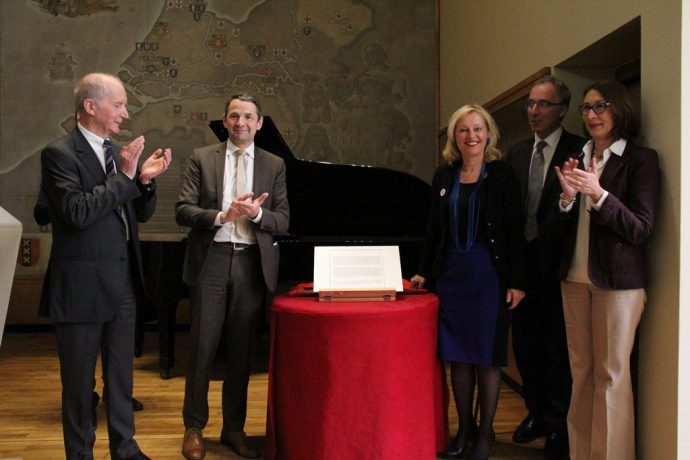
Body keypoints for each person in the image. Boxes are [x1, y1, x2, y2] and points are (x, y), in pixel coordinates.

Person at [38, 72, 172, 460]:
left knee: (120, 381)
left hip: (123, 285)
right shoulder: (59, 154)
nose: (125, 114)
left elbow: (138, 215)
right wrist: (127, 176)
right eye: (119, 105)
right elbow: (78, 212)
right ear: (90, 106)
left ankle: (125, 451)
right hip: (80, 288)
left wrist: (144, 182)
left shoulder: (117, 153)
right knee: (79, 388)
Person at [176, 93, 290, 460]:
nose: (241, 122)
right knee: (202, 349)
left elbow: (283, 220)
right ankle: (194, 428)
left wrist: (256, 216)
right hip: (211, 258)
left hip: (250, 265)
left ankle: (234, 429)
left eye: (248, 117)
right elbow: (183, 209)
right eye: (234, 116)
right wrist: (222, 217)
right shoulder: (202, 157)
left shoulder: (274, 165)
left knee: (242, 352)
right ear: (225, 121)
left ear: (260, 123)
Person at [411, 104, 526, 460]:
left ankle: (486, 432)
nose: (471, 136)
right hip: (452, 277)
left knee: (486, 360)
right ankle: (463, 429)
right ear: (454, 137)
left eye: (477, 129)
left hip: (488, 276)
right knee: (457, 358)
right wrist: (424, 271)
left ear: (488, 134)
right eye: (463, 130)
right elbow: (433, 229)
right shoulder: (443, 177)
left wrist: (518, 281)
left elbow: (514, 231)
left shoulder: (502, 175)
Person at [554, 81, 659, 460]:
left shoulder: (640, 160)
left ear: (621, 110)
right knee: (580, 377)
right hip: (574, 280)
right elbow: (564, 229)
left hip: (618, 285)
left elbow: (640, 228)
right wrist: (567, 201)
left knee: (611, 379)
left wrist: (599, 195)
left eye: (600, 107)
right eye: (585, 109)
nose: (591, 115)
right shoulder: (577, 156)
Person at [505, 75, 584, 459]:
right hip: (522, 266)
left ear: (563, 109)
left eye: (544, 104)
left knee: (557, 348)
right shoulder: (516, 153)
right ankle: (536, 412)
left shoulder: (579, 150)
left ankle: (557, 425)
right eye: (531, 104)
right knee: (525, 344)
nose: (534, 111)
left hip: (560, 266)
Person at [34, 190, 146, 420]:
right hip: (82, 270)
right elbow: (41, 213)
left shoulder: (117, 160)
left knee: (119, 353)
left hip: (120, 266)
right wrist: (80, 199)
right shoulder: (64, 161)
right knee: (81, 354)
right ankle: (85, 400)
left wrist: (145, 184)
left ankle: (116, 399)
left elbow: (141, 212)